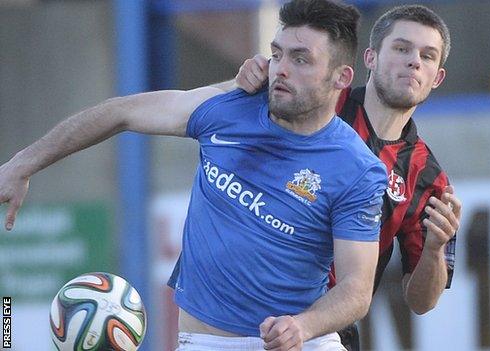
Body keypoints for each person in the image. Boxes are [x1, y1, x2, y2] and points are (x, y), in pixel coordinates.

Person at [0, 1, 399, 350]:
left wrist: (303, 325)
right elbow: (120, 112)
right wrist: (23, 163)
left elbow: (355, 289)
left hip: (299, 342)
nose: (281, 69)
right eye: (277, 54)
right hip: (206, 341)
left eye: (301, 59)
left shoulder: (357, 169)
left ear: (342, 77)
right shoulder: (227, 107)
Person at [170, 4, 463, 350]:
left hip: (326, 329)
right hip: (247, 319)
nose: (414, 62)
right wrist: (241, 80)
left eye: (427, 56)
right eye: (401, 48)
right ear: (369, 58)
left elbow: (422, 301)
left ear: (437, 77)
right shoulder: (313, 101)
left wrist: (434, 249)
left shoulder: (428, 178)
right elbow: (224, 109)